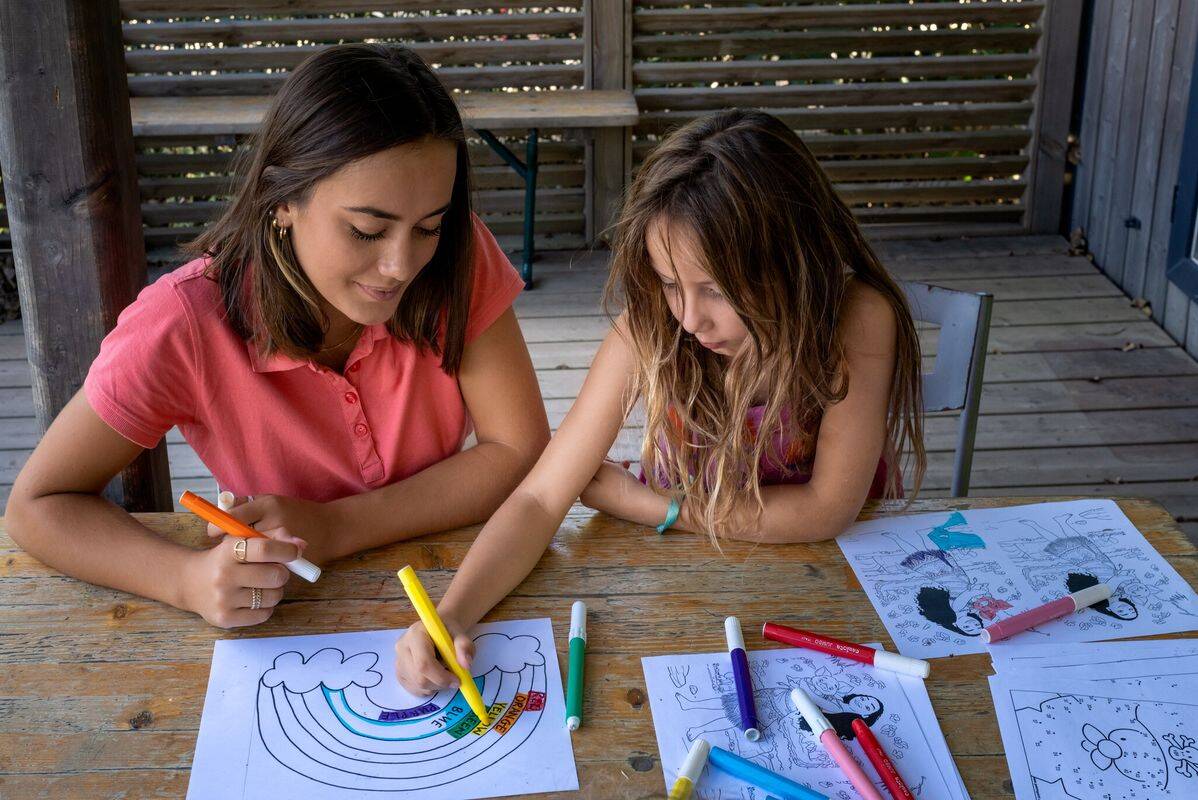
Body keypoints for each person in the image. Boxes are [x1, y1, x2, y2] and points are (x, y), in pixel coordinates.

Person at [6, 44, 549, 629]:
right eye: (368, 231)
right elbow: (39, 506)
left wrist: (336, 526)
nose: (401, 264)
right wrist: (183, 578)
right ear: (283, 198)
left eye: (428, 227)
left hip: (465, 580)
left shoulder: (458, 259)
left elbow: (519, 451)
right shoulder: (184, 322)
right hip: (284, 613)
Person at [394, 108, 925, 694]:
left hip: (836, 593)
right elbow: (543, 496)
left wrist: (655, 506)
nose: (691, 318)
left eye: (717, 289)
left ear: (795, 261)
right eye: (672, 284)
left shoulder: (856, 318)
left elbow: (827, 510)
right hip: (677, 590)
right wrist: (451, 615)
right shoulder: (650, 326)